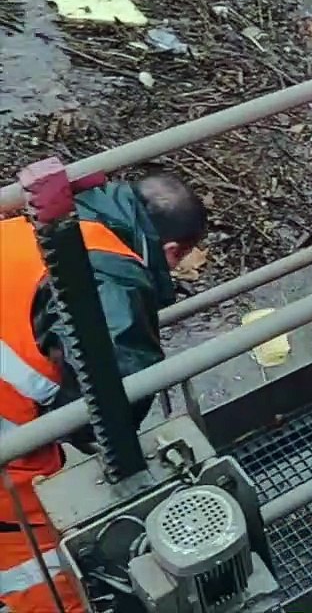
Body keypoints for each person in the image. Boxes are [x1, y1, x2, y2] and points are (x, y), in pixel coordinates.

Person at [0, 173, 207, 613]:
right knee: (38, 574)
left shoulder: (23, 230)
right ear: (172, 251)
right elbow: (108, 411)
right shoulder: (110, 271)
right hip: (7, 476)